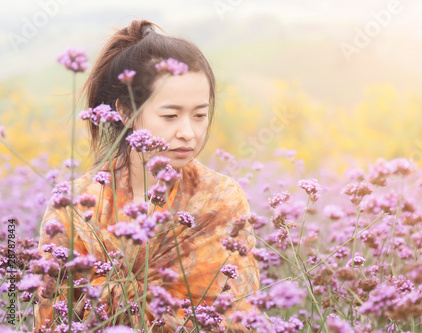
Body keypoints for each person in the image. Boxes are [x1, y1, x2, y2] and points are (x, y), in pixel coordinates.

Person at [34, 19, 260, 332]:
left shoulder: (221, 199)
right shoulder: (73, 205)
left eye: (199, 115)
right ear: (126, 112)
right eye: (170, 115)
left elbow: (241, 316)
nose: (188, 133)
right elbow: (48, 317)